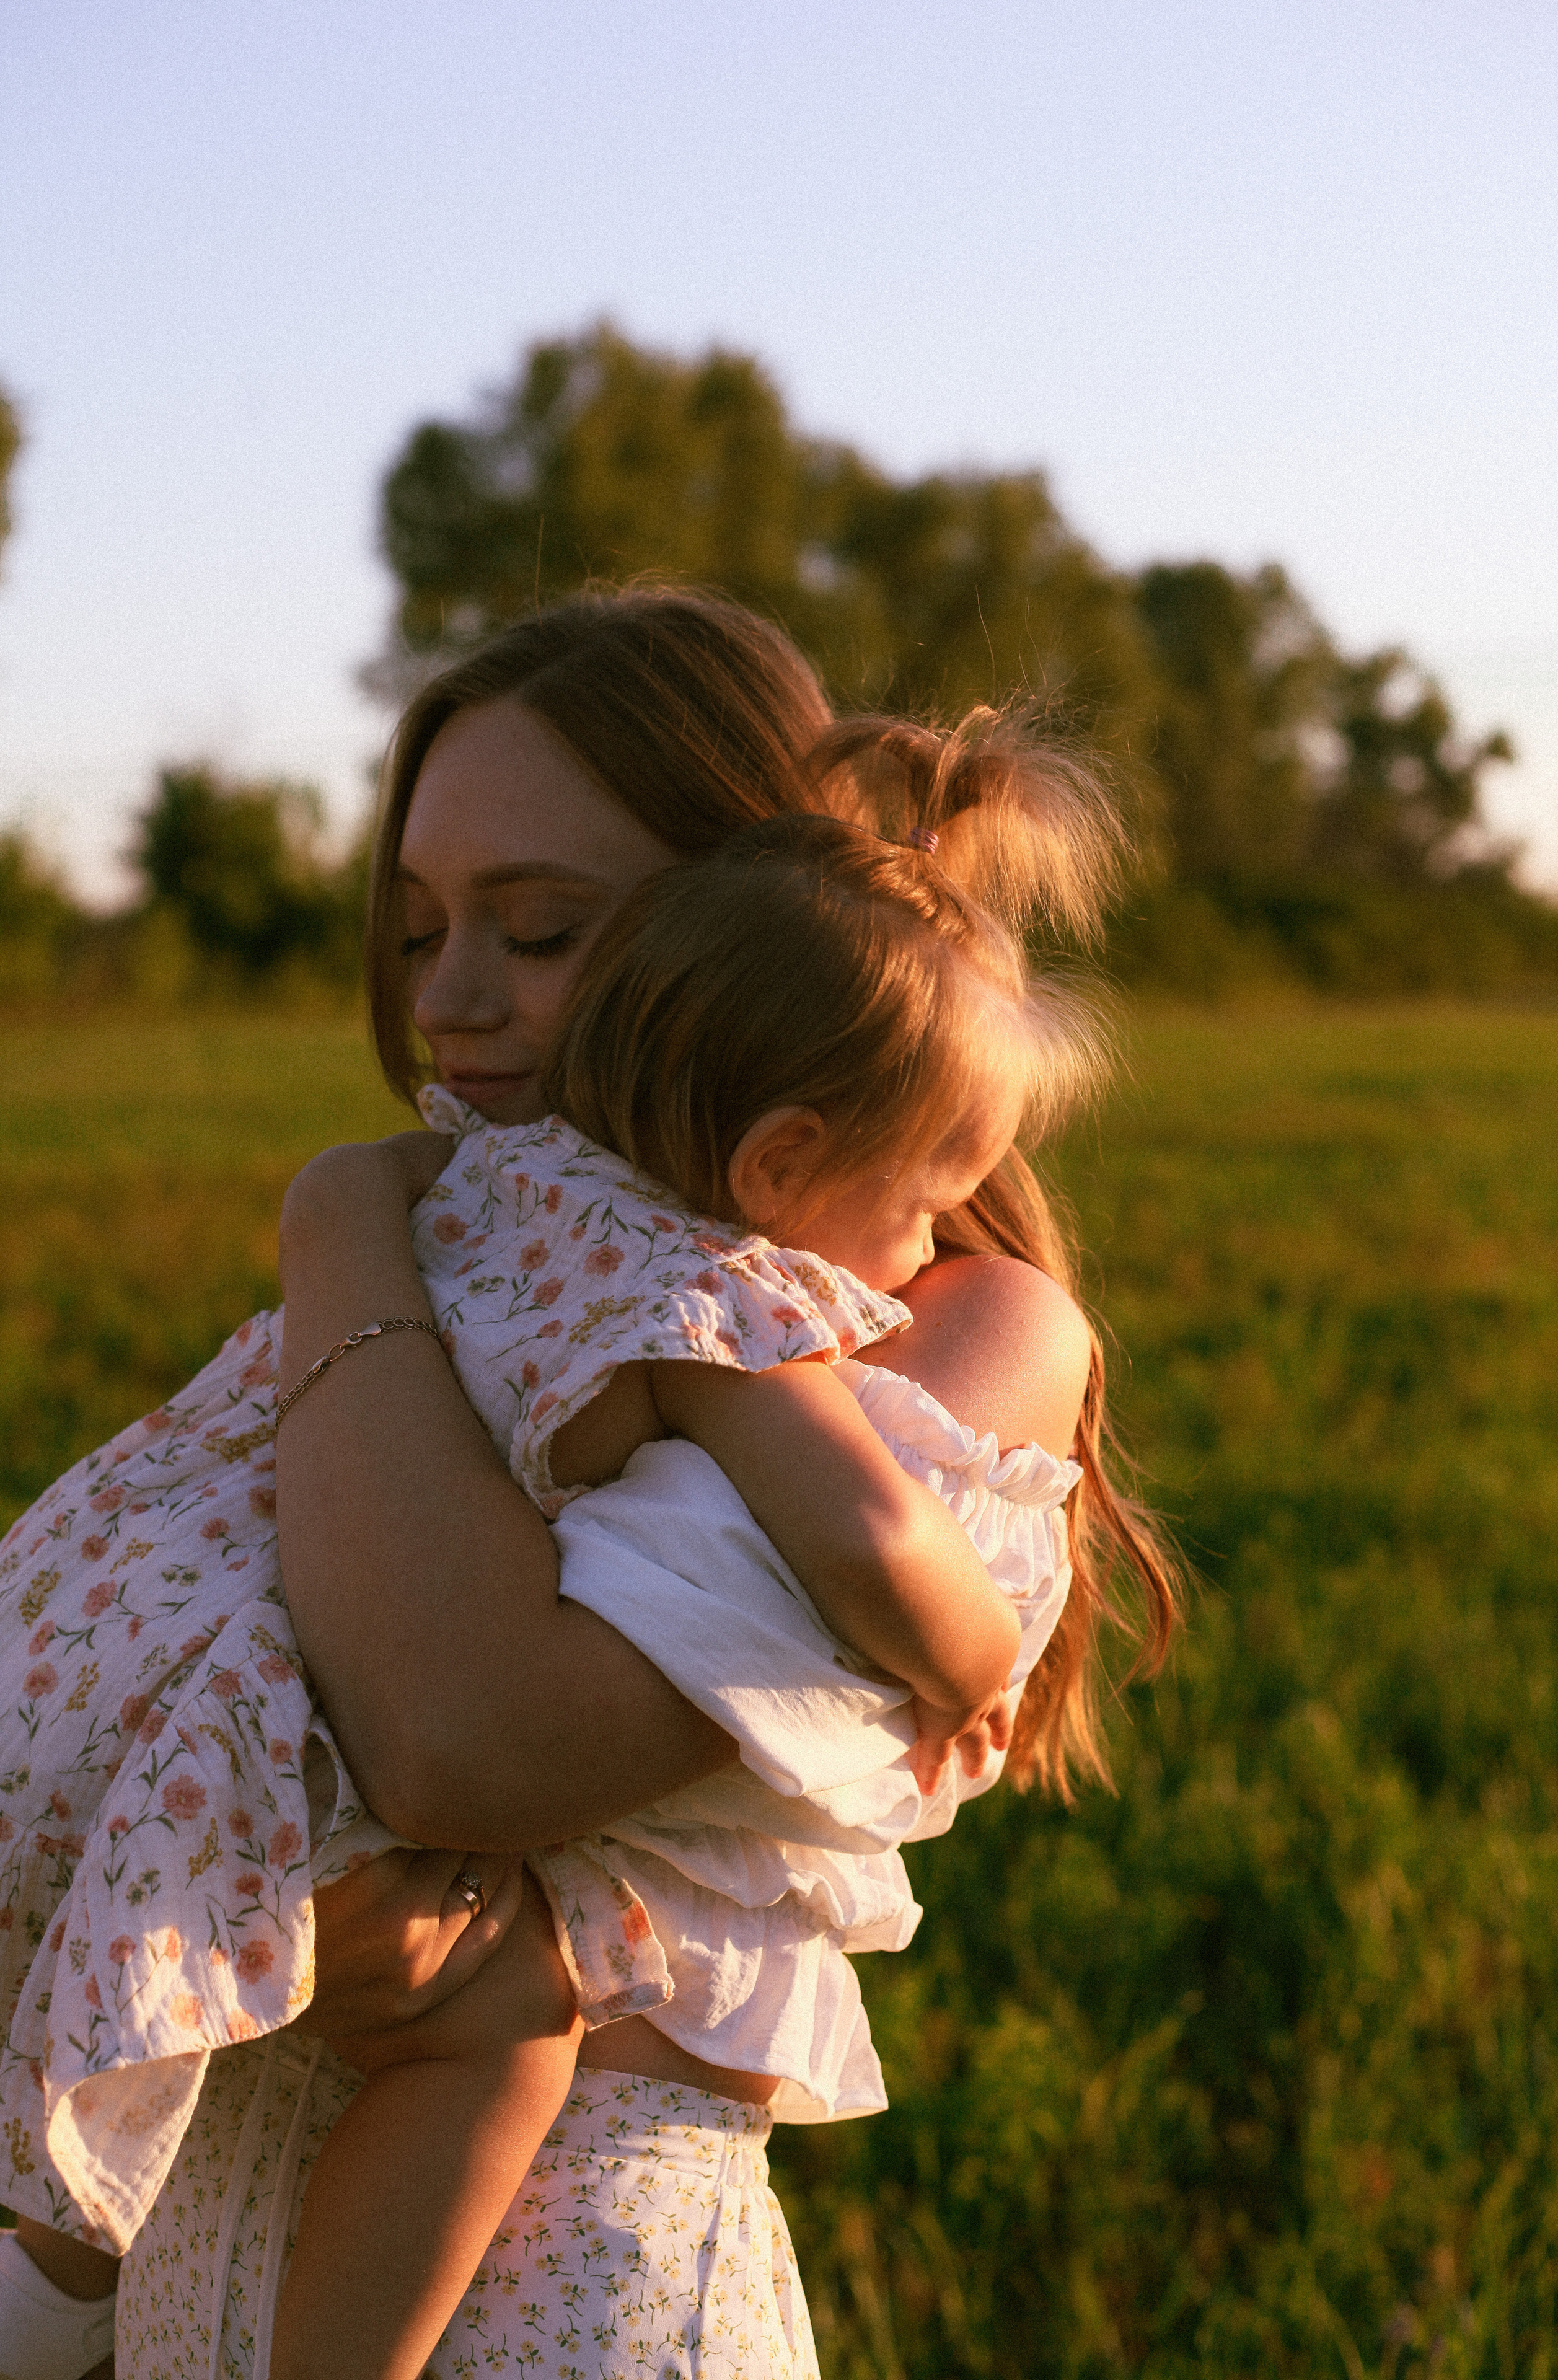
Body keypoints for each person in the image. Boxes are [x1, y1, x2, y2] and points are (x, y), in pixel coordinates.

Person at [0, 588, 1176, 2377]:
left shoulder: (951, 1345)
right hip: (201, 2272)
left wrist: (342, 1228)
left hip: (566, 2309)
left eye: (540, 931)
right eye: (415, 929)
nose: (449, 1001)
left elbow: (468, 1740)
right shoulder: (498, 1260)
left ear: (753, 926)